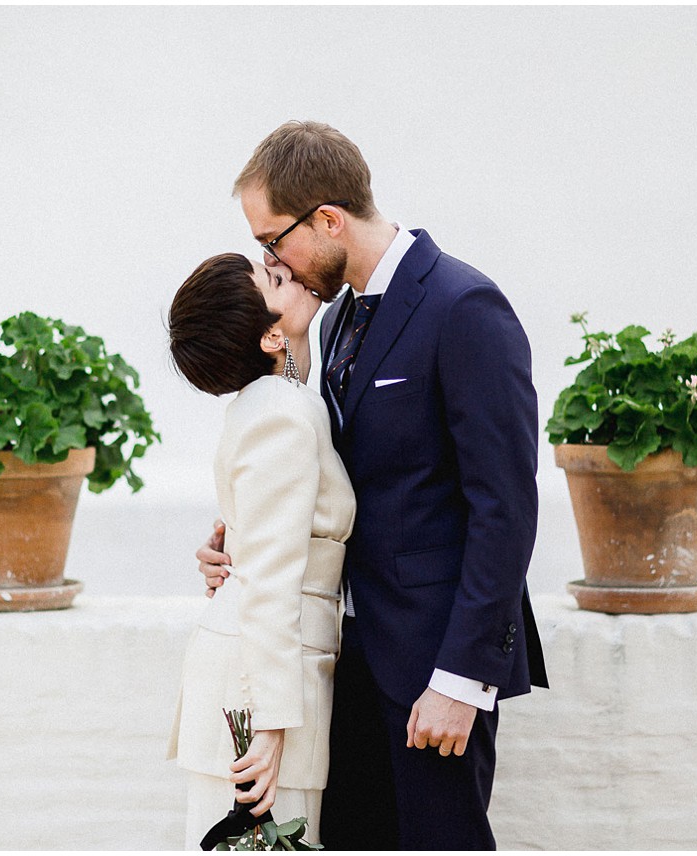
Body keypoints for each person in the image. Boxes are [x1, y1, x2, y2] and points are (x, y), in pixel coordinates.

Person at [197, 120, 548, 850]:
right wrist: (244, 536)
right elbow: (341, 477)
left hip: (432, 670)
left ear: (327, 220)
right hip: (347, 662)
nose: (271, 260)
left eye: (272, 241)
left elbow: (504, 507)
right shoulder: (338, 320)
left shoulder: (464, 307)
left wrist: (461, 680)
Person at [166, 252, 356, 849]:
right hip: (263, 685)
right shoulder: (282, 409)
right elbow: (273, 581)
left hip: (258, 666)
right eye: (275, 279)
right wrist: (269, 725)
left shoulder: (271, 402)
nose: (290, 269)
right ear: (272, 334)